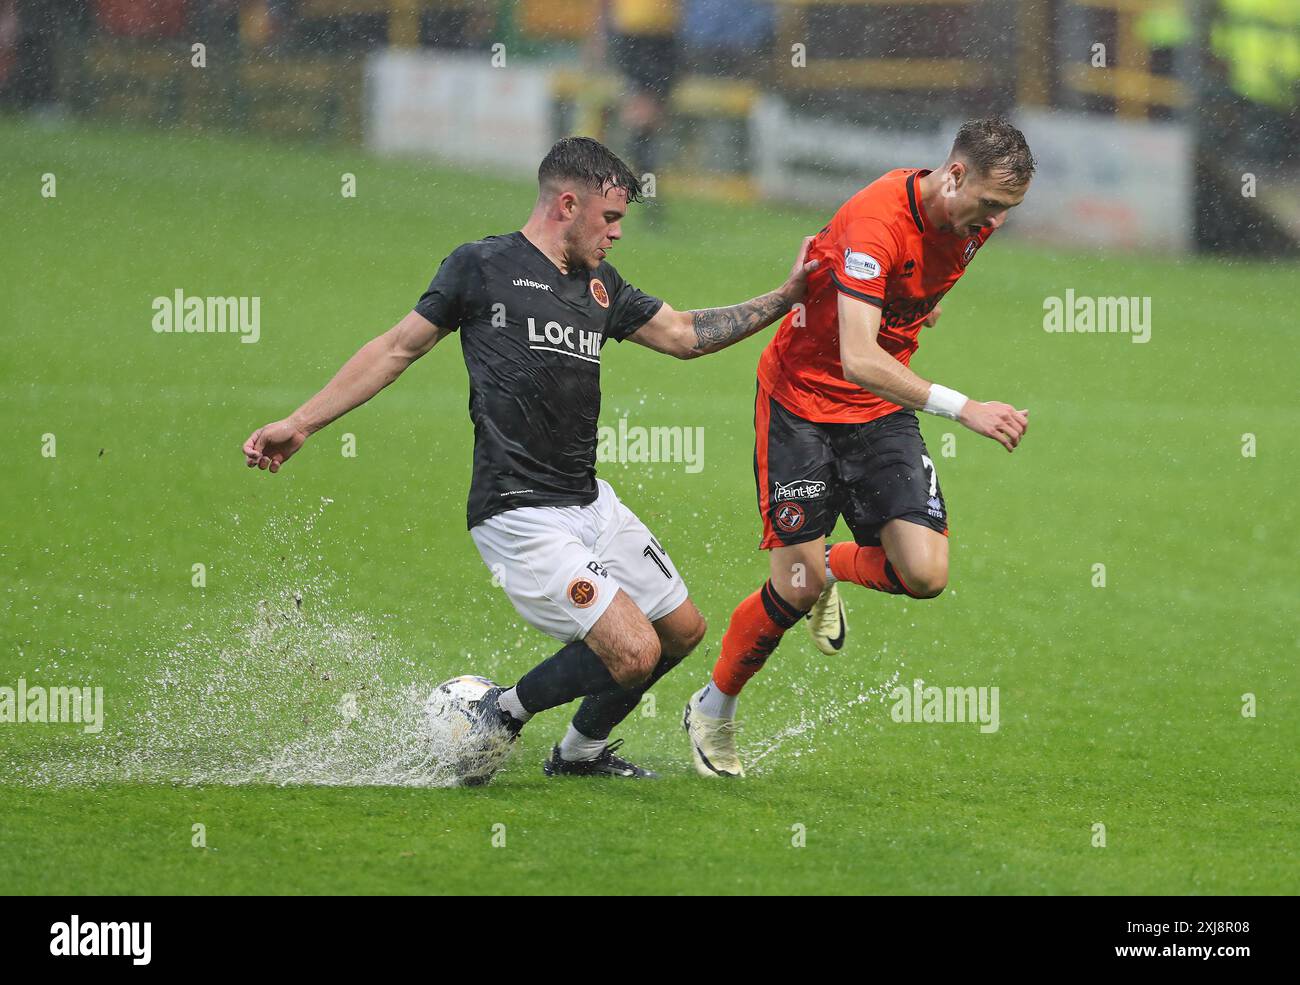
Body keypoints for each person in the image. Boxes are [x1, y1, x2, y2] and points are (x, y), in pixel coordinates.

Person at [243, 136, 816, 779]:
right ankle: (501, 712)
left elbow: (684, 335)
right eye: (610, 218)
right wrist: (301, 422)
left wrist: (788, 296)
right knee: (632, 652)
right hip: (519, 512)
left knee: (682, 630)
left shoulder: (601, 287)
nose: (618, 234)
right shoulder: (481, 267)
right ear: (567, 204)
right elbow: (396, 349)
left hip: (589, 501)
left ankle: (578, 753)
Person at [683, 118, 1035, 778]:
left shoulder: (978, 221)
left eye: (1005, 210)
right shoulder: (877, 222)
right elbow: (856, 357)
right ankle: (713, 709)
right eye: (988, 205)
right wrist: (967, 409)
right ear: (953, 174)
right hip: (803, 405)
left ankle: (834, 569)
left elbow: (928, 278)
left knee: (925, 574)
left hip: (878, 413)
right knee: (793, 583)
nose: (992, 221)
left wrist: (919, 304)